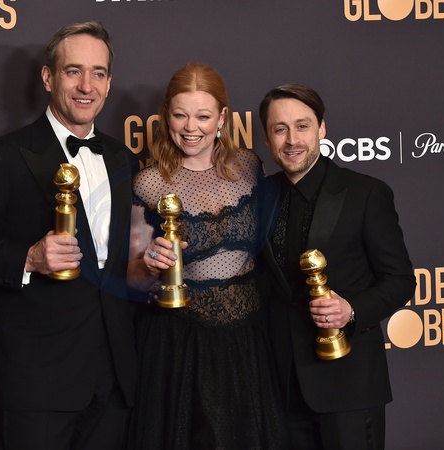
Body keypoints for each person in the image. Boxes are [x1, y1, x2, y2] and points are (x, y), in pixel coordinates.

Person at [0, 22, 139, 450]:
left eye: (98, 73)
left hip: (117, 377)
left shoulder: (123, 157)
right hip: (39, 380)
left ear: (109, 83)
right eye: (73, 71)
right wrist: (28, 258)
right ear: (48, 77)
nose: (87, 86)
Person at [126, 62, 288, 450]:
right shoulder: (148, 183)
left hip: (250, 340)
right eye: (180, 115)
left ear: (222, 117)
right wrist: (149, 264)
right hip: (181, 345)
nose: (191, 127)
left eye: (203, 116)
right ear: (166, 115)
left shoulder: (249, 166)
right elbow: (133, 278)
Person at [257, 83, 416, 449]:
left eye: (302, 126)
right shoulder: (259, 197)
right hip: (280, 389)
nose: (292, 140)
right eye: (280, 129)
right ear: (267, 138)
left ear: (322, 129)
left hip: (349, 387)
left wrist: (351, 309)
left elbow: (400, 280)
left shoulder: (365, 193)